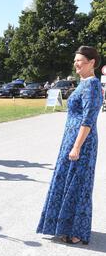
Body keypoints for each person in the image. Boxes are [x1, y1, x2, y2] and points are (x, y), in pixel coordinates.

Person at [37, 46, 103, 245]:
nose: (76, 63)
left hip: (82, 142)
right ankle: (64, 227)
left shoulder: (92, 85)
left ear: (92, 62)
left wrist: (76, 146)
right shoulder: (83, 83)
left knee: (78, 185)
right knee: (66, 182)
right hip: (71, 140)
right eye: (75, 60)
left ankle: (77, 231)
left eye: (80, 60)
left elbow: (88, 119)